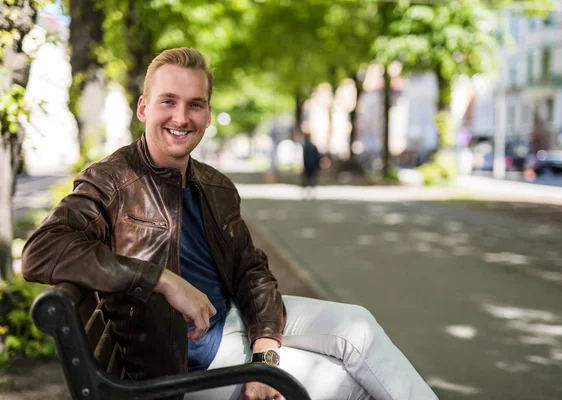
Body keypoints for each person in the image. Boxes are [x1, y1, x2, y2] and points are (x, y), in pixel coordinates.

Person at [21, 48, 437, 400]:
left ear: (207, 113)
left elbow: (251, 271)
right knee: (347, 383)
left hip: (233, 322)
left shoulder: (212, 183)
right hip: (187, 364)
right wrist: (161, 279)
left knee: (358, 326)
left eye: (195, 104)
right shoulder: (112, 180)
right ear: (144, 107)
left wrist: (265, 350)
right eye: (168, 101)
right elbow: (41, 251)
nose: (181, 117)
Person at [301, 133, 320, 200]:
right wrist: (317, 166)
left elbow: (304, 157)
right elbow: (317, 156)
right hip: (313, 165)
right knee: (312, 179)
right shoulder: (313, 146)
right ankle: (312, 194)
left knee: (306, 180)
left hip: (307, 165)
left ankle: (306, 194)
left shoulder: (305, 146)